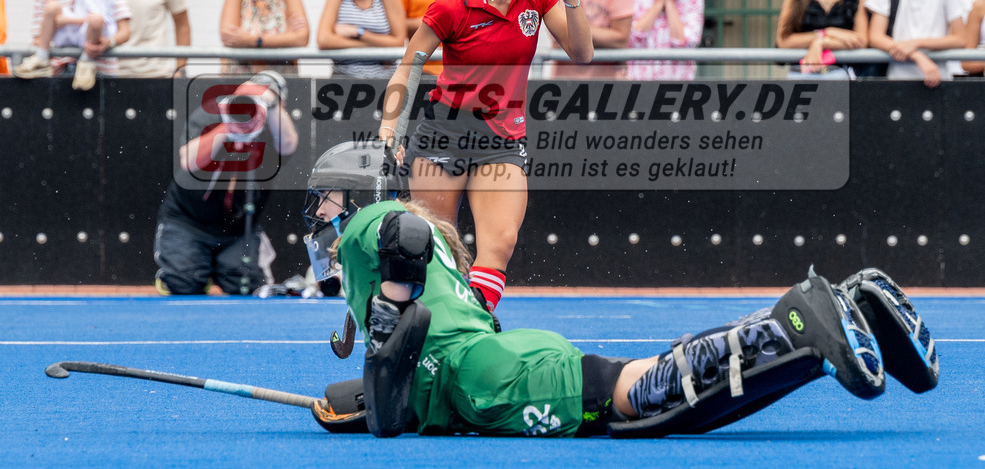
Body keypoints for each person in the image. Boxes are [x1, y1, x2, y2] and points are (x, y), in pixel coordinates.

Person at [302, 142, 939, 437]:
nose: (321, 214)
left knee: (636, 394)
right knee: (658, 416)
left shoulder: (367, 225)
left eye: (327, 198)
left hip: (485, 377)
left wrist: (389, 311)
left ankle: (790, 322)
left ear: (354, 196)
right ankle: (823, 335)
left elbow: (403, 229)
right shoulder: (422, 253)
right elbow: (396, 390)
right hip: (484, 368)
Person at [379, 0, 593, 315]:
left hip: (502, 136)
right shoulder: (452, 3)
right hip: (444, 132)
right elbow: (406, 69)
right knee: (440, 251)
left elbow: (581, 53)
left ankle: (470, 327)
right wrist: (390, 129)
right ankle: (422, 333)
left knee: (500, 243)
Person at [154, 71, 298, 295]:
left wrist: (269, 106)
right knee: (183, 284)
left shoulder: (276, 124)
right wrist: (228, 125)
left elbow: (288, 145)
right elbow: (189, 161)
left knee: (246, 287)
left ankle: (218, 269)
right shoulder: (213, 111)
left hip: (239, 228)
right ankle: (192, 271)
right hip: (188, 219)